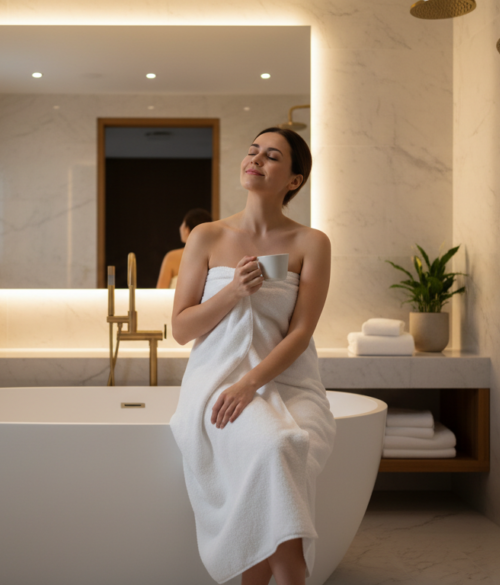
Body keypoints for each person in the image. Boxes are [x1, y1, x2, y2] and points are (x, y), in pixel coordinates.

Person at [168, 128, 336, 585]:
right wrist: (234, 292)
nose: (256, 159)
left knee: (289, 446)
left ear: (294, 180)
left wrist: (251, 383)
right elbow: (181, 328)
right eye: (252, 151)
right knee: (277, 445)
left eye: (272, 156)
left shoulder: (311, 243)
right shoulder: (207, 236)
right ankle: (294, 576)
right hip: (219, 381)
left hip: (289, 382)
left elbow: (301, 333)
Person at [157, 208, 213, 289]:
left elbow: (160, 291)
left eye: (182, 223)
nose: (180, 228)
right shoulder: (213, 256)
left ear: (187, 230)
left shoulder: (172, 257)